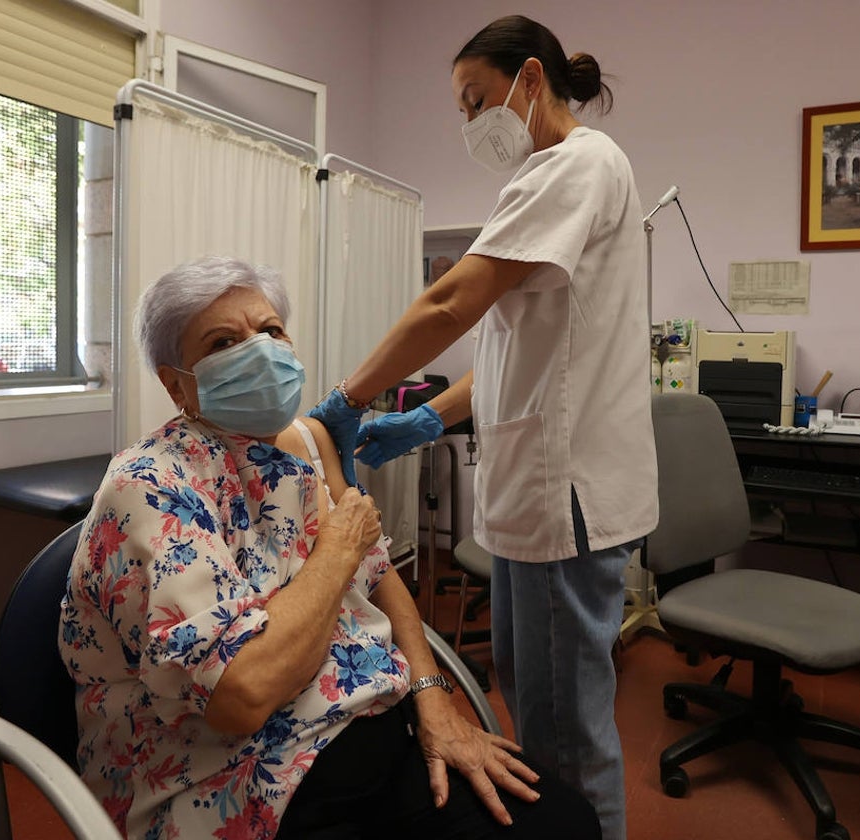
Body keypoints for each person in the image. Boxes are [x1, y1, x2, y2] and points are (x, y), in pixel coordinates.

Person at [57, 256, 600, 840]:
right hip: (235, 782)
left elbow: (379, 579)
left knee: (567, 822)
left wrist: (432, 696)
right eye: (223, 342)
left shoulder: (289, 462)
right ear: (175, 383)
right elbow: (242, 695)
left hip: (371, 734)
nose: (259, 352)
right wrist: (339, 547)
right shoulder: (151, 488)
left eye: (270, 332)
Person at [308, 16, 658, 840]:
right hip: (542, 494)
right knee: (533, 702)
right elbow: (517, 349)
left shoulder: (576, 165)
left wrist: (349, 398)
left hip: (559, 496)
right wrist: (428, 416)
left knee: (565, 735)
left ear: (530, 80)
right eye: (460, 110)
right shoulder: (562, 176)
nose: (470, 124)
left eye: (477, 101)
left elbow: (450, 302)